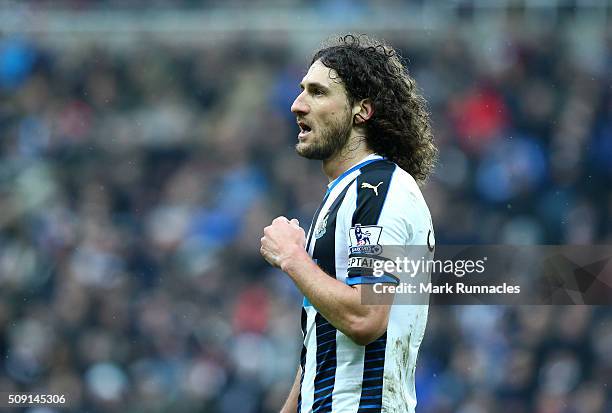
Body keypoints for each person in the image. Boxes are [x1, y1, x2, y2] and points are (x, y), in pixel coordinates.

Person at [260, 34, 437, 413]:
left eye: (318, 92)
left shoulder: (377, 189)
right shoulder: (344, 195)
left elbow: (366, 316)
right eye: (301, 90)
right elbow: (324, 347)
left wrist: (292, 257)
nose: (297, 105)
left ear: (362, 110)